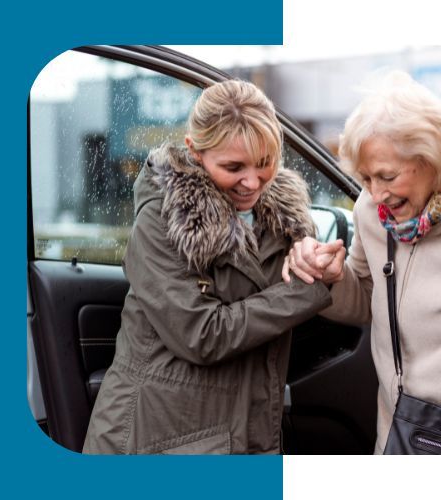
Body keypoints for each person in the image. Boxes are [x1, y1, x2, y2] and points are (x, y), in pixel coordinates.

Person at [282, 71, 441, 454]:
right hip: (398, 438)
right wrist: (333, 278)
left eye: (387, 176)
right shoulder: (373, 212)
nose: (376, 194)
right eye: (366, 178)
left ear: (435, 155)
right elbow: (369, 299)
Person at [82, 80, 332, 455]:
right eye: (233, 167)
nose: (252, 181)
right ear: (195, 152)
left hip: (240, 429)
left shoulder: (284, 220)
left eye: (265, 163)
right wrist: (305, 288)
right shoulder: (161, 221)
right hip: (156, 436)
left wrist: (313, 258)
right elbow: (202, 334)